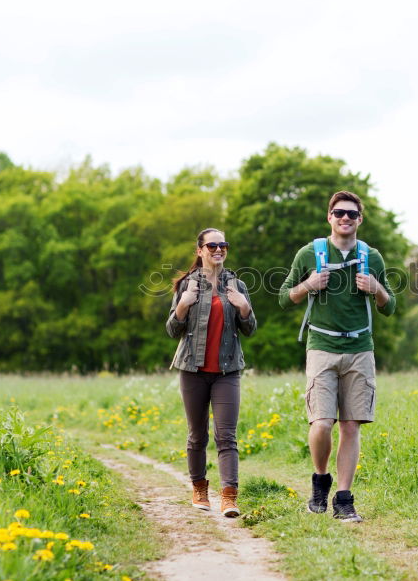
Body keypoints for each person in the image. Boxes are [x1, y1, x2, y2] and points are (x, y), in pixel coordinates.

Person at [279, 191, 396, 522]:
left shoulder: (371, 256)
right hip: (321, 346)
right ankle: (321, 479)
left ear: (360, 220)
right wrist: (309, 284)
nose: (345, 218)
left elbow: (391, 307)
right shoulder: (310, 253)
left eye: (352, 214)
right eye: (339, 212)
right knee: (322, 423)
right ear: (329, 217)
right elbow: (283, 299)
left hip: (360, 348)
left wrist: (376, 289)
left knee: (350, 425)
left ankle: (344, 498)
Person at [166, 228, 256, 517]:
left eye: (223, 245)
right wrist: (182, 305)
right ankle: (199, 489)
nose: (219, 249)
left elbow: (250, 329)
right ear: (200, 250)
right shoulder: (187, 285)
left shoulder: (238, 285)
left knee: (227, 436)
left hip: (227, 370)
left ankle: (229, 496)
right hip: (192, 369)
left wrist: (244, 308)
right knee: (197, 436)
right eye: (212, 245)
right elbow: (171, 330)